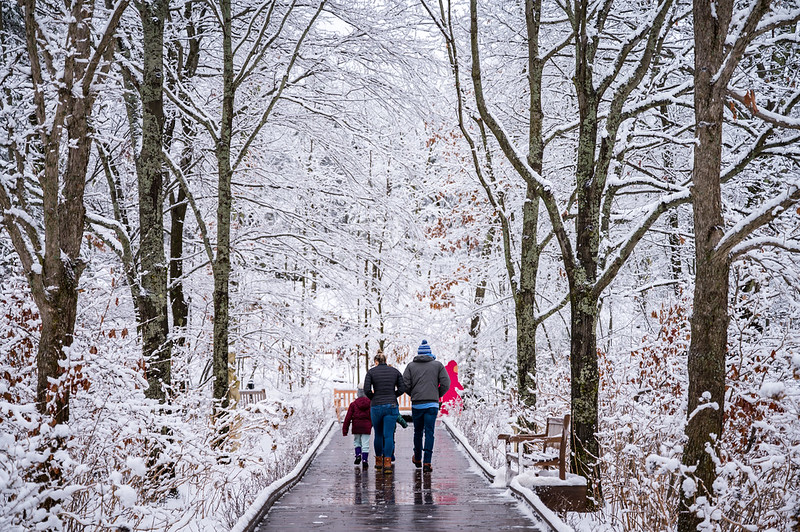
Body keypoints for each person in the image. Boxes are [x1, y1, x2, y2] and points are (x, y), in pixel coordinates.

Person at [403, 339, 450, 473]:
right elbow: (446, 383)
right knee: (430, 432)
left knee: (418, 432)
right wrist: (436, 394)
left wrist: (413, 393)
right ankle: (427, 462)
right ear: (430, 353)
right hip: (432, 405)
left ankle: (417, 458)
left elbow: (404, 384)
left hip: (417, 404)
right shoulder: (438, 365)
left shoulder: (410, 366)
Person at [364, 351, 405, 474]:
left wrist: (374, 397)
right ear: (385, 360)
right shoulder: (395, 372)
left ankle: (378, 461)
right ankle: (387, 462)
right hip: (391, 406)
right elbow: (402, 388)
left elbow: (366, 390)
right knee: (388, 435)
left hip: (376, 406)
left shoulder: (371, 372)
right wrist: (393, 395)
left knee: (378, 434)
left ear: (376, 362)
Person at [342, 387, 371, 467]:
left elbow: (348, 417)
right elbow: (373, 416)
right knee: (365, 444)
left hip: (356, 426)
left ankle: (358, 455)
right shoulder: (370, 404)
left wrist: (345, 430)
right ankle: (365, 460)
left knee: (357, 442)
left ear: (358, 394)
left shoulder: (353, 404)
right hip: (366, 427)